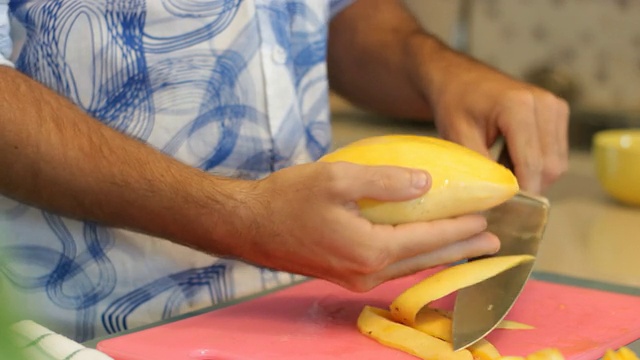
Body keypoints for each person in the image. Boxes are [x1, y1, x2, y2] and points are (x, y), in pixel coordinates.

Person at [0, 0, 569, 342]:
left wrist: (434, 66)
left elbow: (338, 12)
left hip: (300, 309)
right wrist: (238, 218)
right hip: (68, 327)